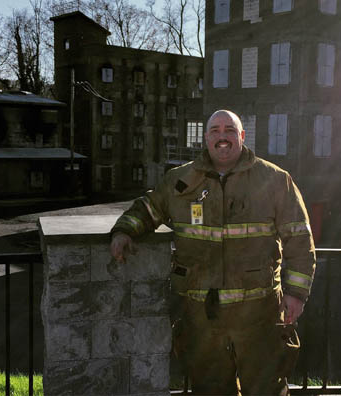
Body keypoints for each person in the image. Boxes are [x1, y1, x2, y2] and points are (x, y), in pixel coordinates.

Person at [110, 110, 316, 395]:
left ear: (242, 137)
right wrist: (124, 231)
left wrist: (296, 293)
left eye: (230, 130)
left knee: (266, 388)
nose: (223, 136)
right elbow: (147, 209)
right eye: (215, 130)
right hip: (201, 316)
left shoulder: (275, 180)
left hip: (259, 315)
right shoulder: (180, 180)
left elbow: (299, 239)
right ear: (205, 138)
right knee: (210, 389)